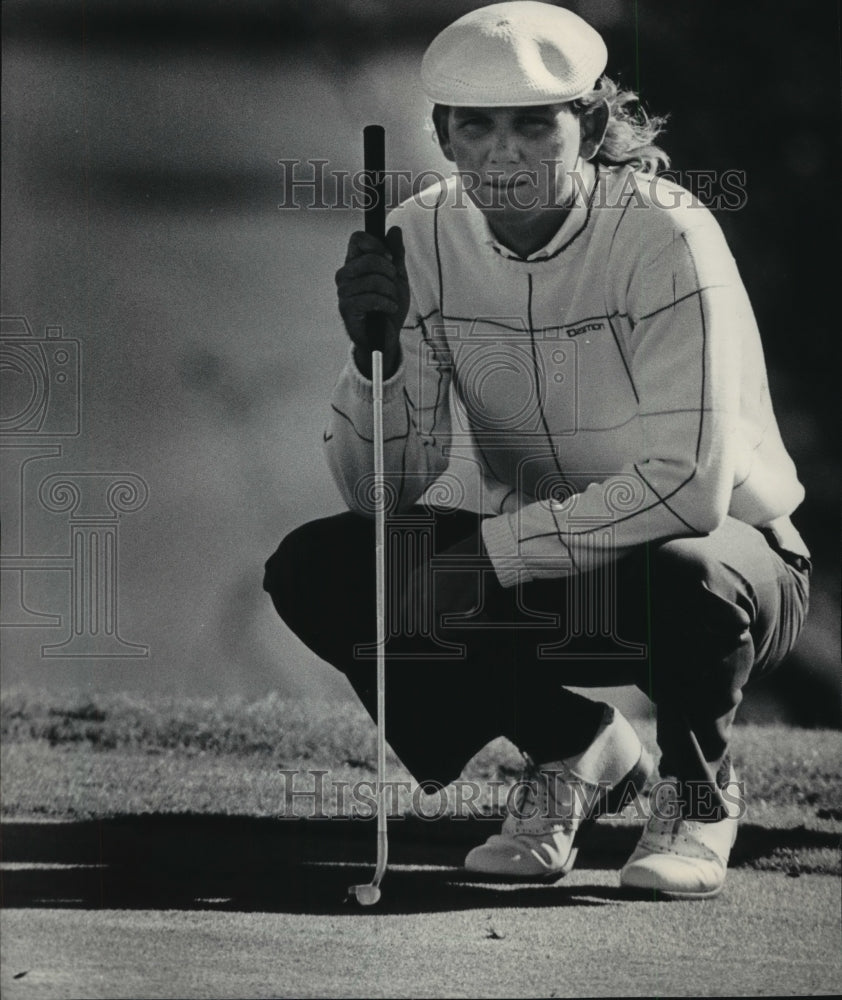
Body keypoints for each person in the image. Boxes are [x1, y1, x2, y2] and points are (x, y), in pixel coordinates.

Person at [264, 1, 811, 899]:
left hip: (735, 568)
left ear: (588, 127)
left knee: (689, 571)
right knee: (322, 568)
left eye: (533, 125)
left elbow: (690, 487)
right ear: (444, 135)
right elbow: (382, 497)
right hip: (550, 569)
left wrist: (489, 554)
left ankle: (696, 796)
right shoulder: (418, 234)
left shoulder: (667, 233)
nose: (503, 153)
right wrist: (376, 363)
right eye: (475, 126)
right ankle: (573, 749)